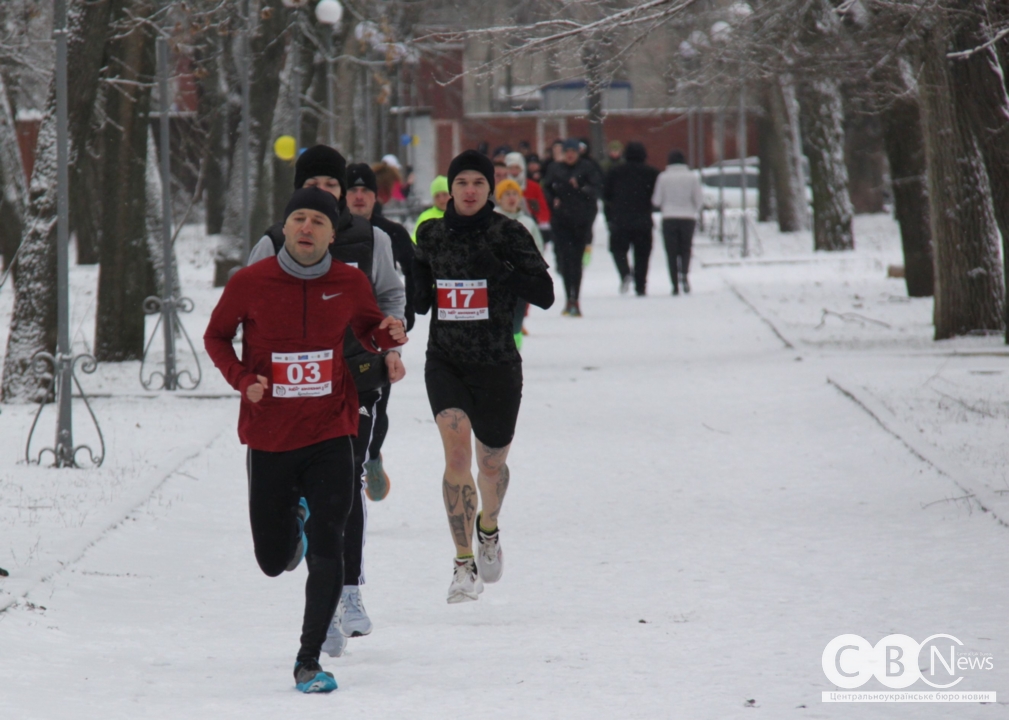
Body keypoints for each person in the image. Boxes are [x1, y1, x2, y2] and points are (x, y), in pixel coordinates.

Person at [204, 187, 408, 694]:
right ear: (286, 226)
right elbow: (216, 335)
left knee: (330, 544)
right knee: (273, 562)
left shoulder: (349, 280)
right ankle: (291, 521)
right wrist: (241, 379)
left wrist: (391, 341)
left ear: (331, 234)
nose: (306, 227)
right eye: (298, 217)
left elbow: (369, 330)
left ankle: (308, 659)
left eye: (318, 220)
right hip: (270, 435)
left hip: (330, 430)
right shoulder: (251, 282)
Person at [247, 146, 406, 657]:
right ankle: (296, 524)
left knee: (346, 483)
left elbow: (391, 299)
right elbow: (244, 309)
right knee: (298, 510)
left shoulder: (372, 239)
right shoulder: (273, 242)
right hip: (290, 391)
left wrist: (392, 345)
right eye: (311, 183)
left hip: (356, 379)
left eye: (332, 186)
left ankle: (345, 594)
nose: (324, 193)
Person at [414, 150, 554, 603]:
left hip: (496, 363)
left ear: (490, 188)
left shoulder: (508, 233)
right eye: (462, 183)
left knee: (490, 464)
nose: (469, 190)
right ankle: (462, 563)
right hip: (446, 360)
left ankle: (488, 528)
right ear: (449, 190)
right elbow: (421, 300)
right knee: (456, 457)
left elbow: (546, 295)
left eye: (478, 182)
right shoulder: (431, 233)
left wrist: (502, 270)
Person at [346, 161, 414, 503]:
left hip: (379, 339)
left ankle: (371, 457)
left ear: (377, 197)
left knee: (376, 407)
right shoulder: (324, 235)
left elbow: (409, 280)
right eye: (352, 190)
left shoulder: (389, 235)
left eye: (366, 191)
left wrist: (401, 324)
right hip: (338, 344)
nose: (359, 197)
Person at [541, 138, 602, 317]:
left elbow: (597, 190)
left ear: (578, 153)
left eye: (573, 152)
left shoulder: (587, 168)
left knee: (577, 262)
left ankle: (576, 297)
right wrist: (554, 200)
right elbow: (546, 190)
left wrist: (581, 187)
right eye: (567, 152)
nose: (569, 155)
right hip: (561, 222)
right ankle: (569, 297)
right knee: (566, 261)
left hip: (581, 222)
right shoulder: (555, 168)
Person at [494, 178, 545, 351]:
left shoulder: (528, 222)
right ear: (499, 198)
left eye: (514, 193)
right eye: (507, 194)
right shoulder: (492, 220)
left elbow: (538, 247)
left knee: (517, 316)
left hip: (521, 278)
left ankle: (514, 350)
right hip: (496, 278)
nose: (511, 197)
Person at [603, 141, 659, 296]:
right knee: (642, 254)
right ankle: (640, 285)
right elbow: (656, 197)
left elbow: (606, 195)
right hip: (643, 220)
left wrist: (610, 216)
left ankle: (625, 273)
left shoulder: (615, 172)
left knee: (617, 250)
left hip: (620, 219)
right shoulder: (652, 173)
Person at [652, 149, 704, 295]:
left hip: (669, 218)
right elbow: (699, 200)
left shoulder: (663, 177)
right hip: (688, 218)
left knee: (671, 252)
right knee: (686, 249)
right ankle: (684, 275)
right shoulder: (692, 177)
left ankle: (674, 284)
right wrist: (692, 209)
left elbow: (657, 200)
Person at [504, 151, 550, 232]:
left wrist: (540, 223)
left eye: (517, 168)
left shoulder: (534, 187)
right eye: (511, 168)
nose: (514, 172)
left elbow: (543, 209)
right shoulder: (501, 188)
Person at [412, 175, 450, 242]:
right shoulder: (426, 217)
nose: (441, 199)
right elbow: (415, 241)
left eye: (445, 194)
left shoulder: (460, 215)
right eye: (437, 196)